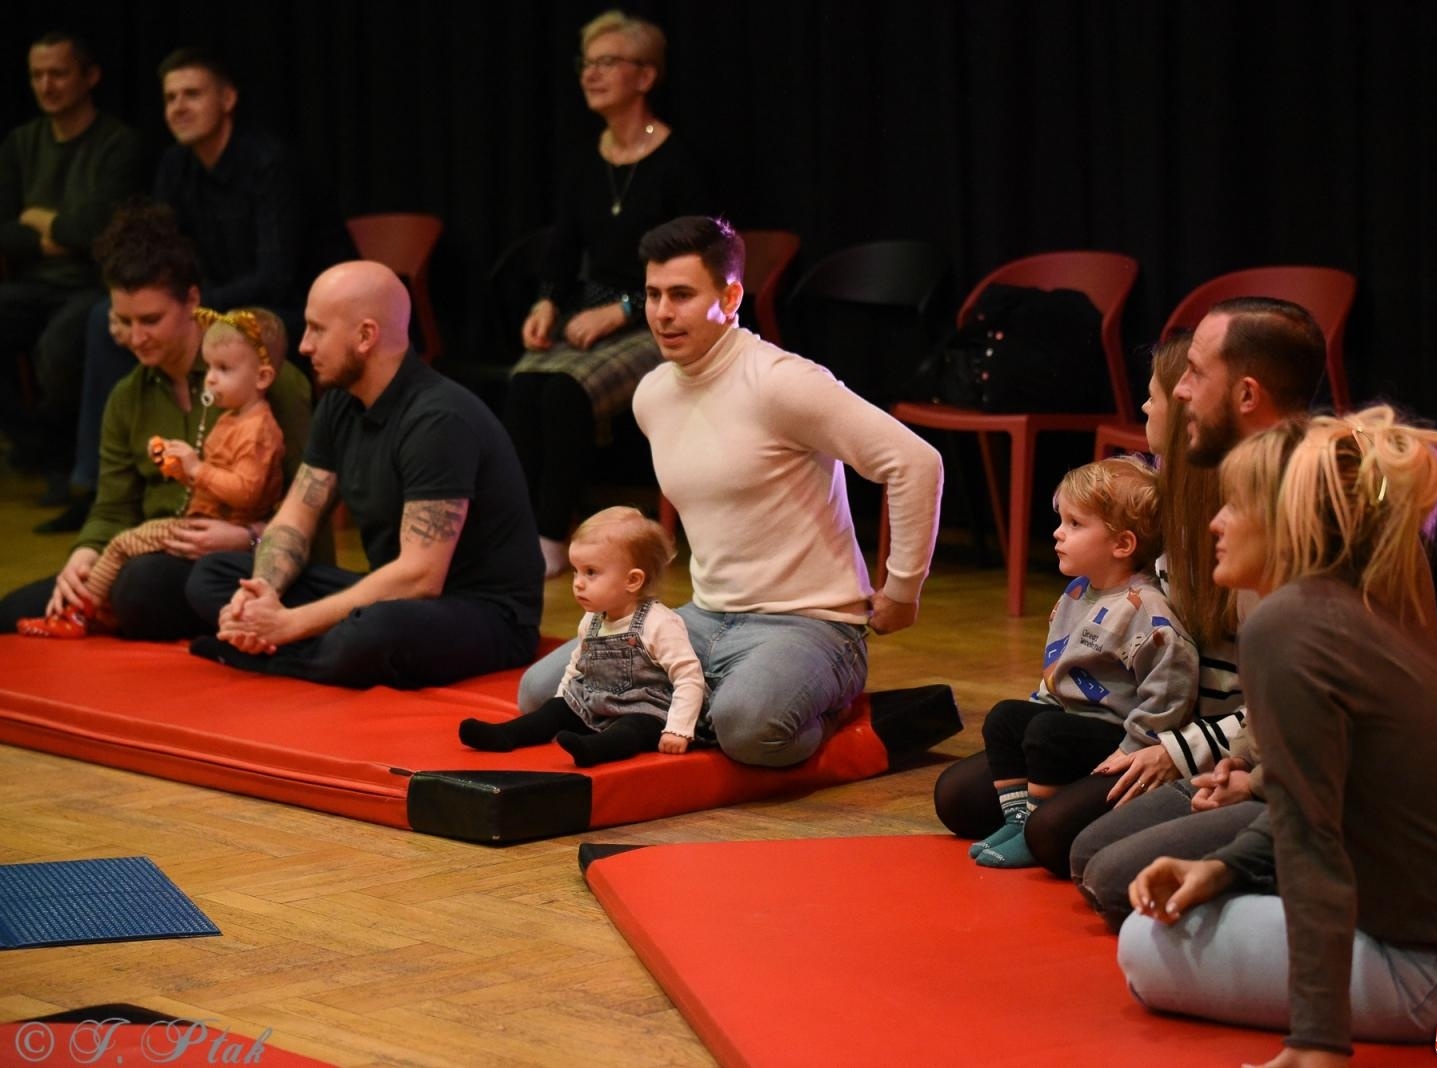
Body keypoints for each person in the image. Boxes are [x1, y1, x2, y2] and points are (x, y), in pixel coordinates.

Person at [1119, 408, 1437, 1064]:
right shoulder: (1354, 604)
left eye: (1234, 506)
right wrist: (1226, 866)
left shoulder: (1286, 626)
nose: (1215, 523)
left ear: (1288, 522)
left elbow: (1310, 839)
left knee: (1142, 947)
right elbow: (1334, 793)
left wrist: (1317, 1045)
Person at [518, 216, 943, 768]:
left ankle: (820, 710)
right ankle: (703, 705)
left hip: (810, 624)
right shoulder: (652, 395)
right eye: (652, 295)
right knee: (541, 695)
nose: (663, 313)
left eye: (682, 295)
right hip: (702, 617)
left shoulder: (782, 381)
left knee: (748, 727)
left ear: (731, 295)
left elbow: (916, 463)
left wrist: (903, 590)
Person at [932, 298, 1327, 874]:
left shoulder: (1273, 517)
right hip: (1142, 721)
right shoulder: (1169, 496)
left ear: (1244, 394)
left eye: (1190, 376)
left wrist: (1174, 749)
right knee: (964, 794)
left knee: (1061, 838)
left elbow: (1281, 707)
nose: (1159, 400)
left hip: (1203, 740)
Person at [185, 260, 543, 689]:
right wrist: (261, 593)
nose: (303, 345)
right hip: (391, 592)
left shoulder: (437, 420)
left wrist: (291, 623)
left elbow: (421, 576)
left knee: (371, 634)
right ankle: (296, 646)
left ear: (366, 336)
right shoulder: (341, 402)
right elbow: (297, 517)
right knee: (212, 577)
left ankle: (268, 655)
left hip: (481, 612)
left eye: (317, 329)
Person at [0, 202, 310, 640]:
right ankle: (101, 607)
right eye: (123, 321)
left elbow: (312, 496)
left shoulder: (268, 379)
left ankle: (120, 611)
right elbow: (113, 507)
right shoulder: (128, 397)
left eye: (151, 320)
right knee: (11, 613)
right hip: (152, 554)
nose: (136, 337)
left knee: (139, 588)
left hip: (246, 562)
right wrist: (86, 553)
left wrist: (249, 538)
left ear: (193, 301)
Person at [46, 45, 304, 533]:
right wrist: (135, 315)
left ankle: (225, 487)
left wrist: (196, 310)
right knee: (105, 318)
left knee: (225, 335)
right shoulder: (174, 165)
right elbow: (161, 253)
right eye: (169, 98)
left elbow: (277, 273)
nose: (178, 107)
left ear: (228, 99)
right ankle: (104, 484)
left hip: (278, 306)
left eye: (192, 94)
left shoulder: (268, 162)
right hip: (203, 303)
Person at [503, 9, 706, 577]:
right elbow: (563, 248)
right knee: (526, 384)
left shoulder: (678, 161)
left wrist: (622, 311)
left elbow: (692, 256)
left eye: (607, 63)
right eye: (586, 64)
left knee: (565, 389)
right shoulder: (584, 160)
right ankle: (521, 532)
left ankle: (548, 541)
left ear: (645, 77)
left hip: (656, 314)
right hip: (590, 309)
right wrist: (546, 300)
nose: (591, 75)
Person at [968, 457, 1198, 869]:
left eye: (1076, 524)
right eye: (1062, 520)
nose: (1058, 533)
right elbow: (1060, 667)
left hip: (1113, 734)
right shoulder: (1077, 593)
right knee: (1005, 718)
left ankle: (1037, 823)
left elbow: (1170, 687)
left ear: (1122, 545)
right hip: (1069, 717)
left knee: (1046, 732)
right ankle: (1018, 817)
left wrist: (1134, 747)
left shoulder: (1146, 609)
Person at [18, 308, 285, 638]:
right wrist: (176, 466)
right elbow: (121, 502)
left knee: (122, 546)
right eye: (210, 368)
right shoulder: (229, 416)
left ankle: (81, 613)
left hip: (222, 533)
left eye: (223, 369)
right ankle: (93, 605)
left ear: (262, 378)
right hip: (200, 524)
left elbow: (247, 489)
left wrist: (197, 469)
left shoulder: (258, 429)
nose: (211, 378)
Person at [0, 31, 142, 500]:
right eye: (37, 75)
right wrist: (58, 236)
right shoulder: (21, 144)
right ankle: (35, 444)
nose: (46, 85)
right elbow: (5, 231)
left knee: (61, 349)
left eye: (58, 73)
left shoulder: (117, 143)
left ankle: (69, 465)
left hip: (93, 285)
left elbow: (100, 230)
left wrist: (42, 222)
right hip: (31, 283)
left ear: (89, 77)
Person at [459, 505, 704, 766]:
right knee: (555, 710)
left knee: (632, 729)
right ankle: (507, 734)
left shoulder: (659, 623)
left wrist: (678, 728)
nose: (577, 582)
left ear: (632, 580)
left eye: (591, 572)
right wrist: (564, 700)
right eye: (576, 571)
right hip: (597, 703)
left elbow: (688, 676)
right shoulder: (593, 619)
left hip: (647, 711)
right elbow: (577, 666)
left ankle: (596, 749)